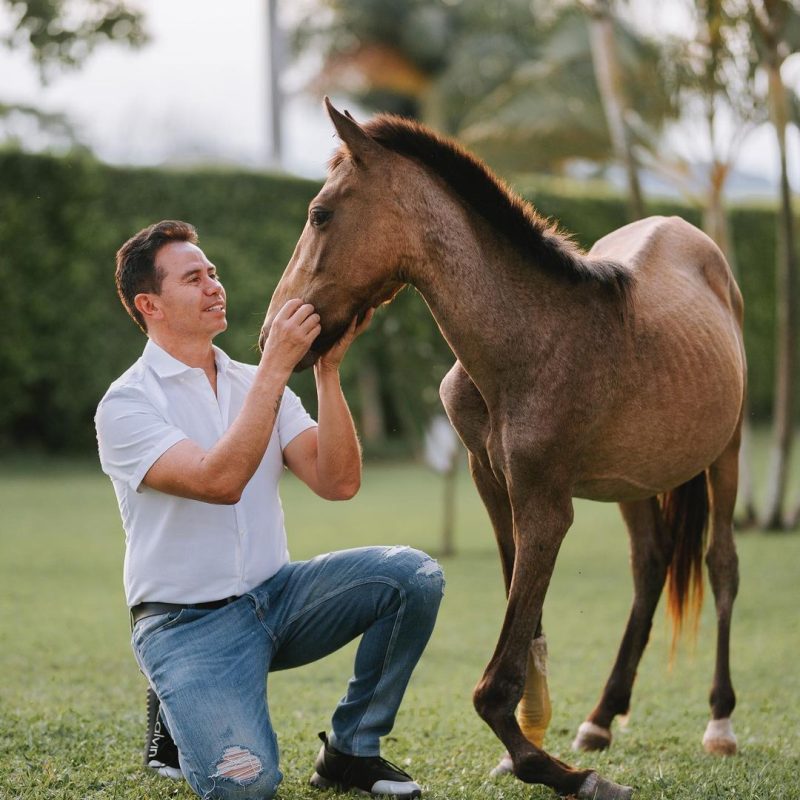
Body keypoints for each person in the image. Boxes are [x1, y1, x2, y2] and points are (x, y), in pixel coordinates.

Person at [95, 220, 444, 800]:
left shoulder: (256, 382)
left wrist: (327, 372)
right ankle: (174, 703)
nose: (214, 285)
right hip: (187, 625)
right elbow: (219, 480)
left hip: (277, 600)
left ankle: (351, 752)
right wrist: (279, 369)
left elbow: (338, 482)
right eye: (193, 278)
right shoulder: (127, 403)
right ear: (149, 304)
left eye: (213, 273)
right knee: (245, 787)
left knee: (412, 576)